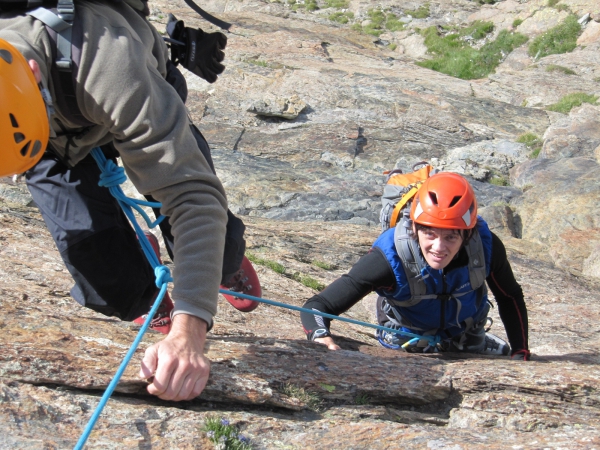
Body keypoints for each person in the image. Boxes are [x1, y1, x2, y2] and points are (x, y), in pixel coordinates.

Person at [1, 0, 260, 403]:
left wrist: (190, 332)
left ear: (30, 74)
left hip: (118, 88)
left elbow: (191, 196)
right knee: (108, 276)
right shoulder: (15, 108)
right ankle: (142, 291)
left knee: (213, 242)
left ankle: (225, 263)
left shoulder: (108, 64)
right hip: (45, 137)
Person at [300, 172, 530, 360]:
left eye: (451, 237)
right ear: (415, 228)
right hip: (407, 337)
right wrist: (320, 335)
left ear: (467, 235)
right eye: (429, 234)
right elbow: (318, 305)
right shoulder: (389, 258)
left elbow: (510, 297)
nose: (439, 247)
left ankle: (470, 340)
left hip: (467, 330)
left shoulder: (486, 247)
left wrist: (521, 350)